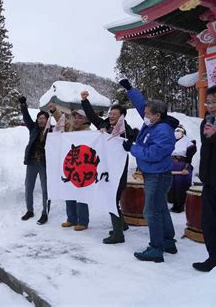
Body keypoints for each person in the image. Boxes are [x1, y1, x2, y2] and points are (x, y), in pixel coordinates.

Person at [119, 78, 178, 263]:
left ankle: (156, 249)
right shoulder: (153, 122)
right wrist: (130, 89)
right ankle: (168, 241)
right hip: (154, 173)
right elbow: (142, 104)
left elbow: (153, 153)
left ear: (157, 115)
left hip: (157, 175)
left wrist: (132, 148)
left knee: (151, 211)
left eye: (147, 114)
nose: (144, 115)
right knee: (160, 208)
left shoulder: (163, 131)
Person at [80, 90, 136, 243]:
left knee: (112, 200)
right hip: (105, 171)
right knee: (113, 199)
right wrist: (85, 101)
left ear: (122, 116)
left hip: (117, 174)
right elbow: (92, 117)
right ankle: (122, 226)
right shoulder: (104, 123)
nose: (111, 116)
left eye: (115, 114)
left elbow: (131, 140)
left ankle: (118, 235)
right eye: (111, 113)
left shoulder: (126, 130)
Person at [193, 84, 216, 272]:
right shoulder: (206, 121)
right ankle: (214, 259)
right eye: (208, 102)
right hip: (209, 184)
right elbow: (207, 148)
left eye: (215, 101)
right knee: (210, 226)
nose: (211, 106)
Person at [49, 104, 91, 231]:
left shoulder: (90, 133)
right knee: (69, 193)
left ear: (85, 120)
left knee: (81, 195)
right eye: (75, 117)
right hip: (70, 167)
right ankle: (71, 219)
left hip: (83, 169)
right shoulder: (70, 127)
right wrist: (54, 110)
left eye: (79, 118)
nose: (76, 120)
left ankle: (83, 221)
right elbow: (61, 119)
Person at [19, 96, 50, 225]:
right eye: (39, 118)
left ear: (47, 120)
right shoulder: (33, 128)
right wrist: (23, 105)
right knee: (28, 187)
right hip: (32, 162)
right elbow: (26, 118)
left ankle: (44, 213)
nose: (41, 120)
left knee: (45, 189)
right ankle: (29, 210)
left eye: (44, 118)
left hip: (45, 163)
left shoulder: (52, 131)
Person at [169, 125, 196, 213]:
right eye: (176, 130)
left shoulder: (188, 142)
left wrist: (186, 168)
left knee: (180, 186)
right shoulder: (170, 140)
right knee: (172, 186)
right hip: (171, 165)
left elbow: (189, 156)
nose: (177, 132)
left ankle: (180, 205)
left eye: (179, 130)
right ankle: (174, 204)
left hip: (182, 166)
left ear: (183, 132)